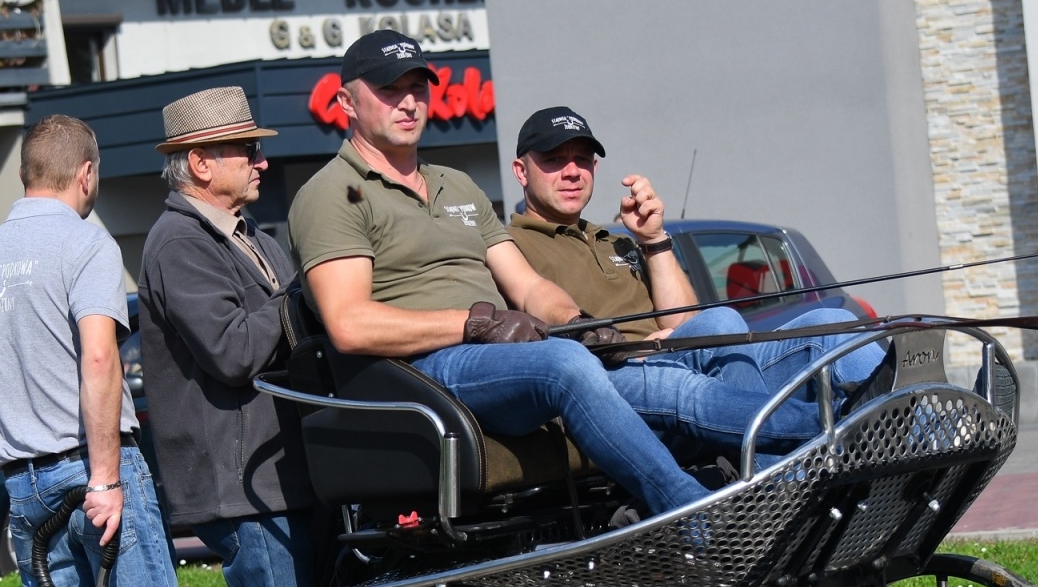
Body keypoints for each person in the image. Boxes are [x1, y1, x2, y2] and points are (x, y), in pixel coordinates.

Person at [288, 30, 733, 517]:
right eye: (389, 89)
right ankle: (696, 516)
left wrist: (582, 323)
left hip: (506, 360)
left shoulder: (456, 184)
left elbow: (526, 286)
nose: (409, 102)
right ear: (345, 102)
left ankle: (791, 469)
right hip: (428, 374)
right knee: (566, 364)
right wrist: (478, 322)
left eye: (419, 87)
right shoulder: (334, 192)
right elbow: (349, 325)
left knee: (721, 339)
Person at [0, 114, 179, 587]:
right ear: (86, 174)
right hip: (94, 475)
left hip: (23, 490)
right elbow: (100, 358)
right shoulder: (86, 244)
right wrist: (106, 478)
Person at [507, 105, 887, 460]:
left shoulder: (617, 239)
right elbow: (542, 355)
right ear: (521, 171)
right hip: (629, 391)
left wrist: (654, 240)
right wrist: (643, 348)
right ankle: (775, 484)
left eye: (582, 159)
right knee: (720, 322)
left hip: (697, 368)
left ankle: (922, 447)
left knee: (827, 326)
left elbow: (686, 323)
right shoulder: (509, 247)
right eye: (555, 160)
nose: (572, 171)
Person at [139, 87, 318, 587]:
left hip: (282, 482)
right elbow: (233, 351)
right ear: (199, 163)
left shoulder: (252, 236)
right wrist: (303, 295)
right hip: (243, 491)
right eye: (246, 149)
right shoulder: (178, 241)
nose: (262, 161)